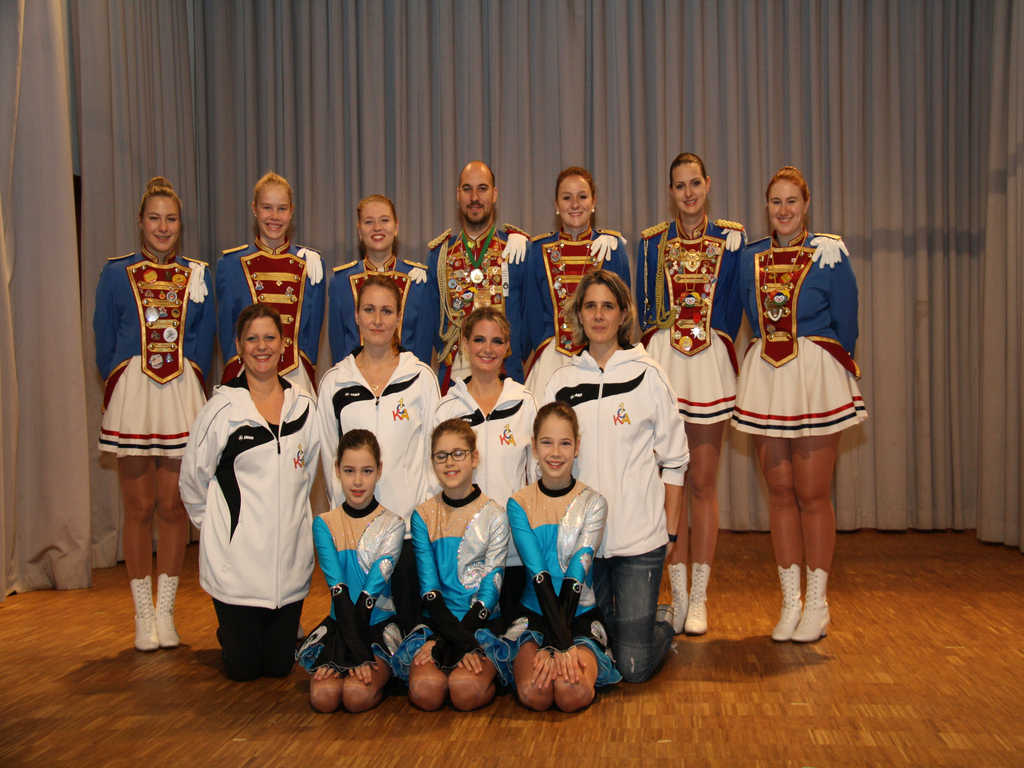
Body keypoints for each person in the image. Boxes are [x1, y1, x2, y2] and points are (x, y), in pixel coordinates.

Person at [732, 165, 867, 643]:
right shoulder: (750, 257)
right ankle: (790, 602)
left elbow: (847, 323)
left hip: (814, 377)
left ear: (806, 205)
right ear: (766, 207)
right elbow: (750, 316)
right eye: (776, 202)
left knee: (812, 492)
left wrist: (824, 366)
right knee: (780, 491)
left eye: (792, 201)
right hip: (768, 376)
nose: (784, 210)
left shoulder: (829, 253)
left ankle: (819, 603)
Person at [543, 270, 689, 683]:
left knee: (632, 667)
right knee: (597, 648)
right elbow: (544, 463)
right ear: (578, 314)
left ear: (623, 314)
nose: (598, 315)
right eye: (590, 306)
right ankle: (626, 631)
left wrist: (670, 533)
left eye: (608, 306)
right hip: (581, 547)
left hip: (639, 542)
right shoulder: (562, 380)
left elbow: (675, 460)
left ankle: (662, 623)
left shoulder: (649, 374)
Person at [93, 176, 214, 651]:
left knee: (173, 506)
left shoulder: (196, 275)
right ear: (140, 222)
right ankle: (142, 614)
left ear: (180, 224)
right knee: (139, 508)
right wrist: (121, 381)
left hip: (179, 394)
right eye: (155, 219)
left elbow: (202, 339)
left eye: (171, 219)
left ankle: (166, 612)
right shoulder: (115, 273)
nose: (163, 228)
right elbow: (104, 337)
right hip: (135, 396)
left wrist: (190, 382)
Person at [635, 152, 746, 636]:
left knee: (702, 482)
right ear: (671, 192)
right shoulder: (652, 243)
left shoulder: (731, 239)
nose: (688, 193)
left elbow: (735, 307)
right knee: (669, 484)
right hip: (665, 364)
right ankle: (676, 594)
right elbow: (645, 308)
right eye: (679, 185)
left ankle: (700, 596)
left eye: (694, 183)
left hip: (708, 366)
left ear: (708, 184)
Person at [180, 304, 321, 680]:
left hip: (288, 571)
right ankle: (231, 633)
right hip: (237, 572)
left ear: (284, 344)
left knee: (278, 669)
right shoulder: (221, 409)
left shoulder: (305, 406)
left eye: (270, 338)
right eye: (252, 339)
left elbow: (307, 474)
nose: (262, 347)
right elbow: (192, 481)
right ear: (239, 346)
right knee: (243, 670)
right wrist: (220, 531)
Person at [317, 274, 441, 634]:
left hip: (408, 537)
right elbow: (330, 462)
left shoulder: (420, 377)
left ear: (399, 318)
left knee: (411, 643)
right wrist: (346, 525)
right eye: (369, 310)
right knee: (361, 642)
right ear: (355, 316)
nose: (377, 320)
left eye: (387, 311)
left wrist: (423, 523)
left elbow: (433, 456)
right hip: (356, 538)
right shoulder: (335, 382)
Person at [506, 402, 621, 712]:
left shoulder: (594, 502)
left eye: (565, 443)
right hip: (534, 612)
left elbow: (575, 576)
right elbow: (539, 576)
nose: (555, 452)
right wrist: (553, 642)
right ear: (534, 446)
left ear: (577, 447)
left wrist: (564, 643)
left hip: (579, 612)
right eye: (547, 442)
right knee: (535, 693)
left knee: (571, 694)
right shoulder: (519, 503)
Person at [392, 419, 511, 711]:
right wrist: (442, 638)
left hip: (480, 624)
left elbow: (490, 592)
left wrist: (463, 641)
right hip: (438, 624)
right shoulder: (423, 516)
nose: (449, 462)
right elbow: (429, 590)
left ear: (474, 457)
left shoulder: (495, 515)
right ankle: (449, 667)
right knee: (426, 692)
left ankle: (488, 675)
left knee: (465, 691)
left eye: (458, 453)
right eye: (441, 456)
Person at [433, 307, 538, 625]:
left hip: (514, 554)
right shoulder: (447, 408)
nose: (487, 349)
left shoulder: (525, 403)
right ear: (465, 344)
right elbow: (436, 485)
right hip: (463, 553)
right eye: (479, 340)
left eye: (497, 341)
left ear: (508, 347)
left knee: (512, 643)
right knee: (469, 644)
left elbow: (536, 480)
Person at [296, 429, 404, 713]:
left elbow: (369, 596)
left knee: (356, 696)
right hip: (340, 624)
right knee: (324, 698)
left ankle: (386, 675)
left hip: (376, 625)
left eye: (366, 471)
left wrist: (360, 655)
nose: (357, 481)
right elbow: (340, 595)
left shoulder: (393, 524)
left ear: (379, 470)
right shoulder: (324, 524)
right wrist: (343, 652)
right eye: (349, 471)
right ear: (337, 470)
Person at [522, 166, 630, 398]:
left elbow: (624, 311)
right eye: (566, 197)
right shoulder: (538, 250)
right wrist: (545, 347)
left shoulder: (612, 248)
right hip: (553, 358)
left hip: (603, 355)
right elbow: (532, 313)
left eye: (582, 196)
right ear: (556, 205)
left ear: (593, 201)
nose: (574, 204)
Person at [216, 171, 325, 394]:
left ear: (291, 211)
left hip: (295, 375)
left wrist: (306, 365)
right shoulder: (230, 265)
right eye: (267, 207)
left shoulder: (311, 264)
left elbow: (312, 335)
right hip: (247, 372)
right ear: (254, 209)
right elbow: (228, 333)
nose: (274, 216)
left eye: (282, 208)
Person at [426, 161, 529, 391]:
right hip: (454, 376)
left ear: (494, 194)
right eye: (467, 189)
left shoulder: (515, 250)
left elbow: (529, 320)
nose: (474, 197)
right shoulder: (440, 255)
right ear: (458, 195)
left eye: (482, 189)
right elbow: (432, 325)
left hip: (507, 374)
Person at [328, 194, 435, 365]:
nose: (377, 228)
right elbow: (338, 347)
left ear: (396, 227)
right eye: (369, 222)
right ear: (359, 231)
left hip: (407, 377)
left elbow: (423, 347)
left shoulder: (418, 282)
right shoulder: (340, 283)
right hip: (354, 376)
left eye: (384, 220)